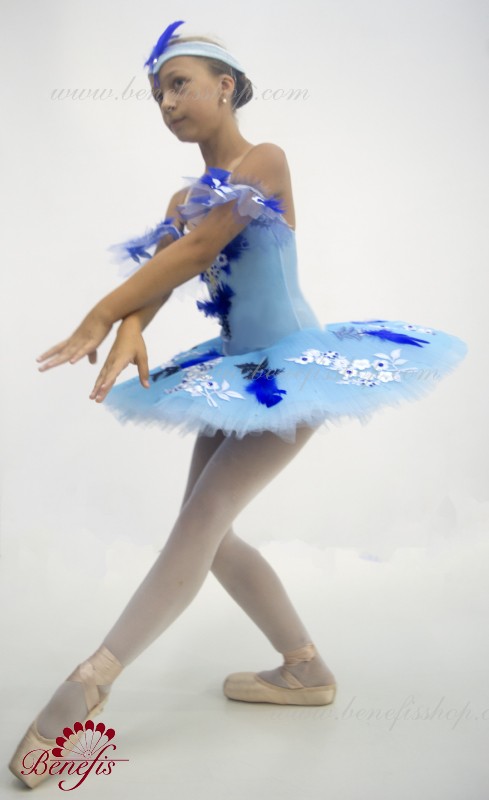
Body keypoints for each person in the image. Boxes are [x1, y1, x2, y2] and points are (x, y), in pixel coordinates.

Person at [9, 20, 468, 788]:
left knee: (198, 527)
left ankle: (88, 684)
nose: (166, 101)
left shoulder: (266, 161)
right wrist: (131, 324)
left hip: (291, 372)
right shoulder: (180, 198)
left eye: (179, 84)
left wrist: (102, 312)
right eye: (157, 91)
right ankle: (305, 668)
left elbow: (199, 248)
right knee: (211, 538)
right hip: (233, 372)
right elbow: (166, 270)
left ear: (225, 86)